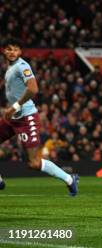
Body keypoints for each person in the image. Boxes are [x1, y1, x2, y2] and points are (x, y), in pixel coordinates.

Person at [0, 38, 79, 196]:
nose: (12, 52)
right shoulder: (9, 68)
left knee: (34, 163)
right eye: (9, 49)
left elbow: (33, 89)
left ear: (20, 52)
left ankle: (70, 179)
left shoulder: (22, 66)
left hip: (26, 118)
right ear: (4, 51)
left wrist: (14, 107)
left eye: (15, 49)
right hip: (13, 118)